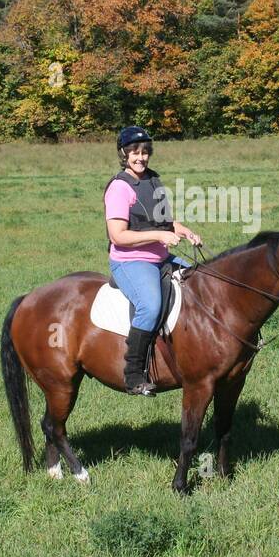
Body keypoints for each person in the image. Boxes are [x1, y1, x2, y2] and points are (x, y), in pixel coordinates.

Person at [104, 126, 201, 396]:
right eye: (135, 152)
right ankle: (134, 374)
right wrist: (160, 234)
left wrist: (182, 230)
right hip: (131, 261)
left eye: (145, 152)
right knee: (150, 305)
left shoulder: (153, 180)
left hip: (162, 257)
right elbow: (118, 236)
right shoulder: (119, 188)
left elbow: (165, 221)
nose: (141, 157)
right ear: (124, 154)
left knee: (201, 282)